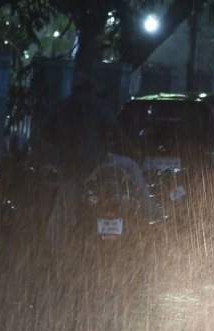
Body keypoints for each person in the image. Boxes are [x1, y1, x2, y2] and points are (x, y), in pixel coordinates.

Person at [37, 76, 163, 239]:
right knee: (132, 166)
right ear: (92, 89)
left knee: (63, 205)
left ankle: (54, 242)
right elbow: (116, 131)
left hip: (70, 165)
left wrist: (65, 141)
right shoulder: (97, 105)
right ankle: (151, 211)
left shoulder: (62, 106)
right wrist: (132, 151)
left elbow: (45, 133)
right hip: (97, 161)